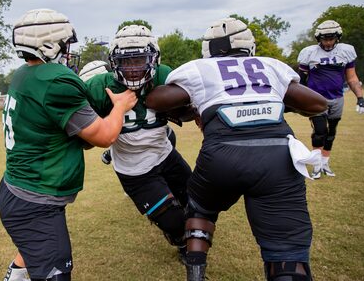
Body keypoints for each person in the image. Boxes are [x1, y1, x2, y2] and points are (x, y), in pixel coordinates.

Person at [146, 18, 327, 281]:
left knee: (200, 210)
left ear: (209, 49)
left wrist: (190, 109)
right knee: (287, 249)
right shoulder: (271, 65)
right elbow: (317, 103)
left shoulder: (200, 68)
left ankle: (195, 273)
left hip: (222, 154)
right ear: (248, 46)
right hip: (277, 156)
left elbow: (157, 100)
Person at [0, 9, 137, 281]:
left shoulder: (22, 74)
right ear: (49, 46)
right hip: (34, 198)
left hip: (17, 191)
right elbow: (105, 137)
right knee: (56, 273)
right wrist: (119, 107)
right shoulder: (55, 80)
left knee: (31, 251)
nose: (69, 51)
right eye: (66, 44)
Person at [84, 25, 192, 263]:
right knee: (175, 221)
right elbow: (82, 129)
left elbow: (189, 107)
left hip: (165, 154)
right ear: (114, 62)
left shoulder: (165, 75)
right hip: (134, 168)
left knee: (196, 200)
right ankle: (179, 239)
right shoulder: (100, 86)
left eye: (139, 59)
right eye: (126, 62)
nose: (133, 69)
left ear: (153, 58)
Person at [297, 20, 363, 179]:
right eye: (324, 39)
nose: (327, 42)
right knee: (320, 131)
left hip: (337, 97)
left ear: (337, 37)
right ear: (318, 38)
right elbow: (301, 80)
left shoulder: (345, 51)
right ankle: (317, 165)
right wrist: (300, 100)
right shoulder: (310, 53)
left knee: (331, 132)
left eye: (331, 38)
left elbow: (352, 78)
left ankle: (325, 163)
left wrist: (360, 98)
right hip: (316, 98)